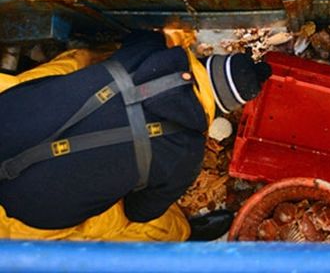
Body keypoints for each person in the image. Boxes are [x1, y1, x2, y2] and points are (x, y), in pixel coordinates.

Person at [0, 29, 271, 241]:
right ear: (221, 110)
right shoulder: (187, 154)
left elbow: (143, 34)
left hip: (8, 113)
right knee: (154, 227)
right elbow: (139, 212)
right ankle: (183, 235)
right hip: (23, 213)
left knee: (80, 62)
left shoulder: (146, 51)